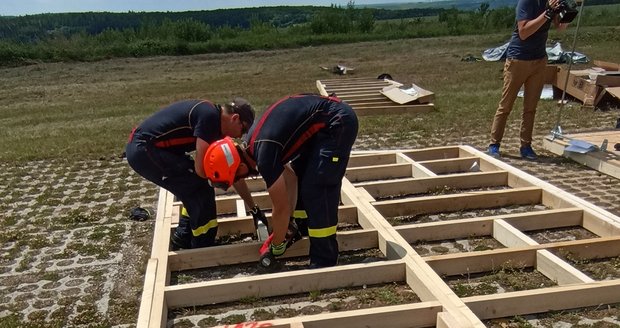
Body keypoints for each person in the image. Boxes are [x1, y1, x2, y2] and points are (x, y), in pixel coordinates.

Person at [203, 94, 359, 269]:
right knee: (301, 172)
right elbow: (291, 179)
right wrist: (287, 225)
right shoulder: (255, 146)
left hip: (337, 122)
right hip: (321, 124)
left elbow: (281, 208)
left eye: (237, 177)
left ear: (239, 168)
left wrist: (276, 244)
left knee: (317, 187)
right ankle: (303, 227)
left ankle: (324, 259)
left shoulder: (264, 155)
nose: (242, 179)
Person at [125, 97, 265, 249]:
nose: (239, 136)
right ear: (235, 118)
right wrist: (217, 178)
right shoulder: (209, 118)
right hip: (145, 151)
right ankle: (201, 245)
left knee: (194, 186)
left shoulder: (214, 122)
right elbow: (200, 170)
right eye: (243, 129)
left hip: (154, 149)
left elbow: (234, 176)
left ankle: (183, 238)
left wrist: (253, 208)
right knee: (199, 188)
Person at [488, 0, 568, 160]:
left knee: (530, 107)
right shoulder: (526, 2)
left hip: (539, 60)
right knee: (506, 105)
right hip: (518, 60)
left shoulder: (549, 4)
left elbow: (560, 28)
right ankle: (494, 144)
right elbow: (524, 31)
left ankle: (526, 146)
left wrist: (566, 14)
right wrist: (547, 14)